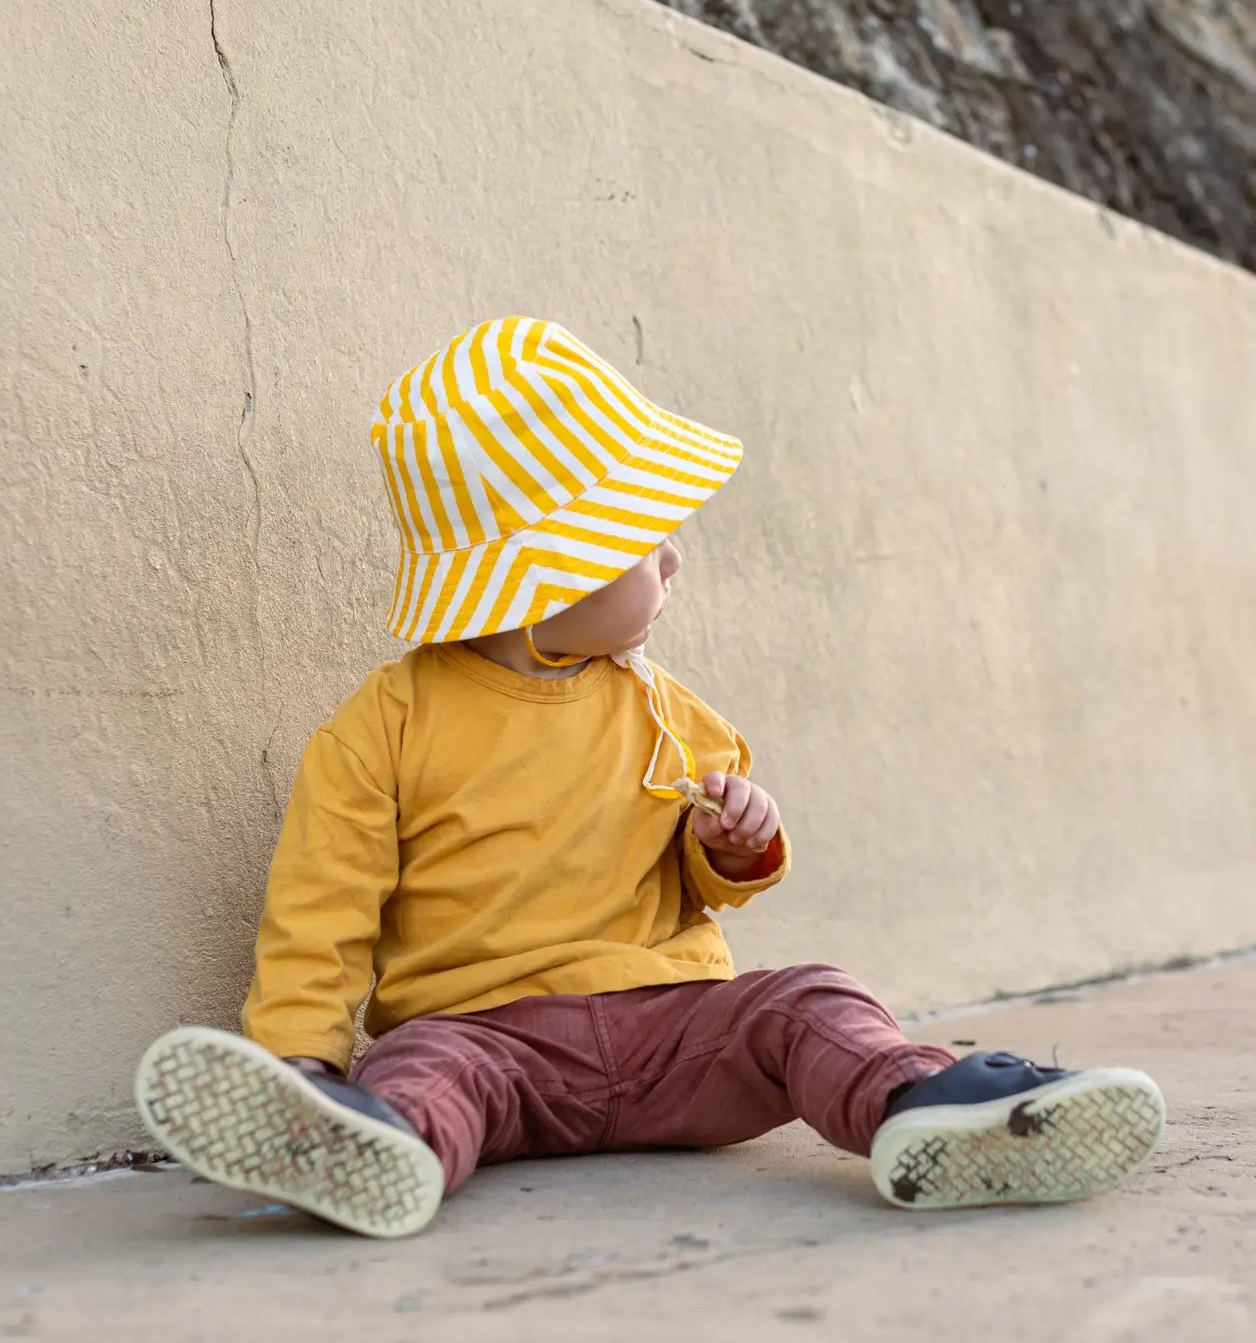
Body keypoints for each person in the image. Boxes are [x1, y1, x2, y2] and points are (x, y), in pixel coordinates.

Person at [135, 318, 1164, 1238]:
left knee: (808, 999)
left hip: (678, 1032)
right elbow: (322, 911)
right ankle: (360, 1140)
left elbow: (717, 876)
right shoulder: (383, 729)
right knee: (418, 1072)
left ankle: (927, 1108)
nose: (672, 562)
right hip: (492, 1047)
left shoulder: (665, 708)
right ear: (545, 578)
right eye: (642, 541)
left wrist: (736, 843)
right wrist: (303, 1057)